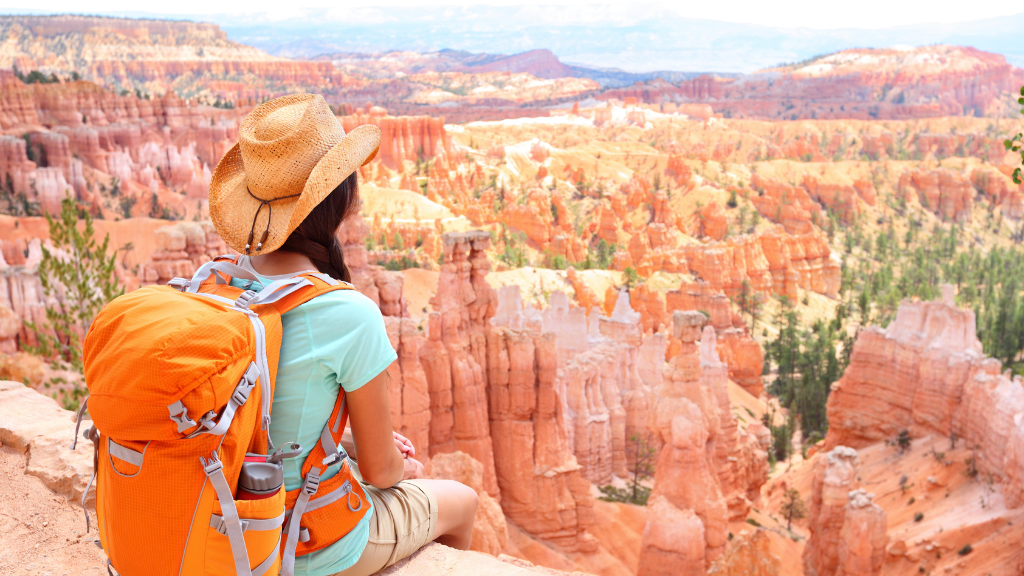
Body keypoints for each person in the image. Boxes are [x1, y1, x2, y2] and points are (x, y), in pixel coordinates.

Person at [207, 93, 478, 576]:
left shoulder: (215, 281)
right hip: (296, 542)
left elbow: (254, 422)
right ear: (340, 196)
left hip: (209, 521)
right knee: (463, 500)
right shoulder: (345, 311)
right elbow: (381, 474)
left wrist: (347, 441)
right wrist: (402, 467)